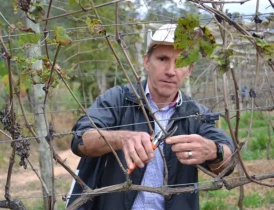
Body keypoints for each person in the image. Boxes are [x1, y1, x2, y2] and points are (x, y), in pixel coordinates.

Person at [67, 24, 235, 210]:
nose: (171, 70)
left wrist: (215, 151)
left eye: (181, 62)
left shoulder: (196, 113)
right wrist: (121, 139)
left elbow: (228, 162)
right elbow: (80, 139)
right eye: (162, 59)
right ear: (147, 61)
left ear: (189, 70)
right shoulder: (119, 99)